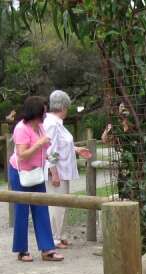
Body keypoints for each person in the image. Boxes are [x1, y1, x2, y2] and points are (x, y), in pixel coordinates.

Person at [8, 95, 59, 262]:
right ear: (35, 112)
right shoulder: (21, 129)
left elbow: (47, 150)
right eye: (42, 112)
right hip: (20, 173)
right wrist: (39, 144)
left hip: (36, 173)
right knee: (21, 210)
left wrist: (75, 150)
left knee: (41, 208)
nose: (45, 115)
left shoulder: (40, 127)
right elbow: (22, 155)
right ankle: (22, 250)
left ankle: (47, 249)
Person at [44, 89, 94, 250]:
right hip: (57, 172)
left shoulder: (58, 124)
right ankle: (53, 238)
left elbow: (62, 145)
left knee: (62, 204)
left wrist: (77, 150)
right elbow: (50, 150)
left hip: (63, 171)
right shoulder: (51, 124)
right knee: (55, 205)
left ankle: (60, 235)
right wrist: (54, 173)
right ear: (64, 106)